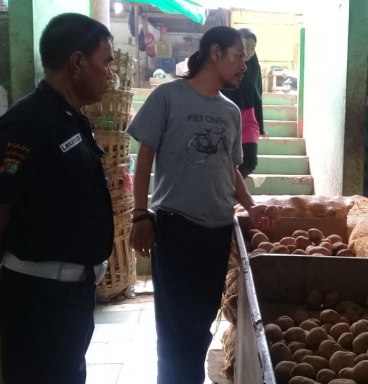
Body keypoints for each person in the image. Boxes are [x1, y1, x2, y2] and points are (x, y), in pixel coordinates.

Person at [0, 13, 114, 384]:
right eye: (105, 62)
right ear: (77, 62)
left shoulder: (69, 116)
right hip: (40, 301)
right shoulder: (29, 122)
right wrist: (1, 253)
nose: (109, 73)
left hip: (68, 298)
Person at [127, 26, 278, 384]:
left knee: (200, 325)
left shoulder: (229, 111)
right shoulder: (167, 96)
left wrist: (251, 206)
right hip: (176, 226)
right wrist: (139, 214)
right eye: (239, 56)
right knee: (175, 329)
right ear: (215, 52)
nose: (245, 64)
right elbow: (144, 157)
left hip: (217, 231)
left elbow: (231, 166)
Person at [221, 28, 266, 177]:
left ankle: (230, 190)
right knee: (228, 160)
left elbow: (258, 96)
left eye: (253, 48)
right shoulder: (226, 64)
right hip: (227, 115)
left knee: (250, 162)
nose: (250, 51)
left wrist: (261, 126)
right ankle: (227, 193)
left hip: (249, 118)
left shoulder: (254, 67)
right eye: (246, 46)